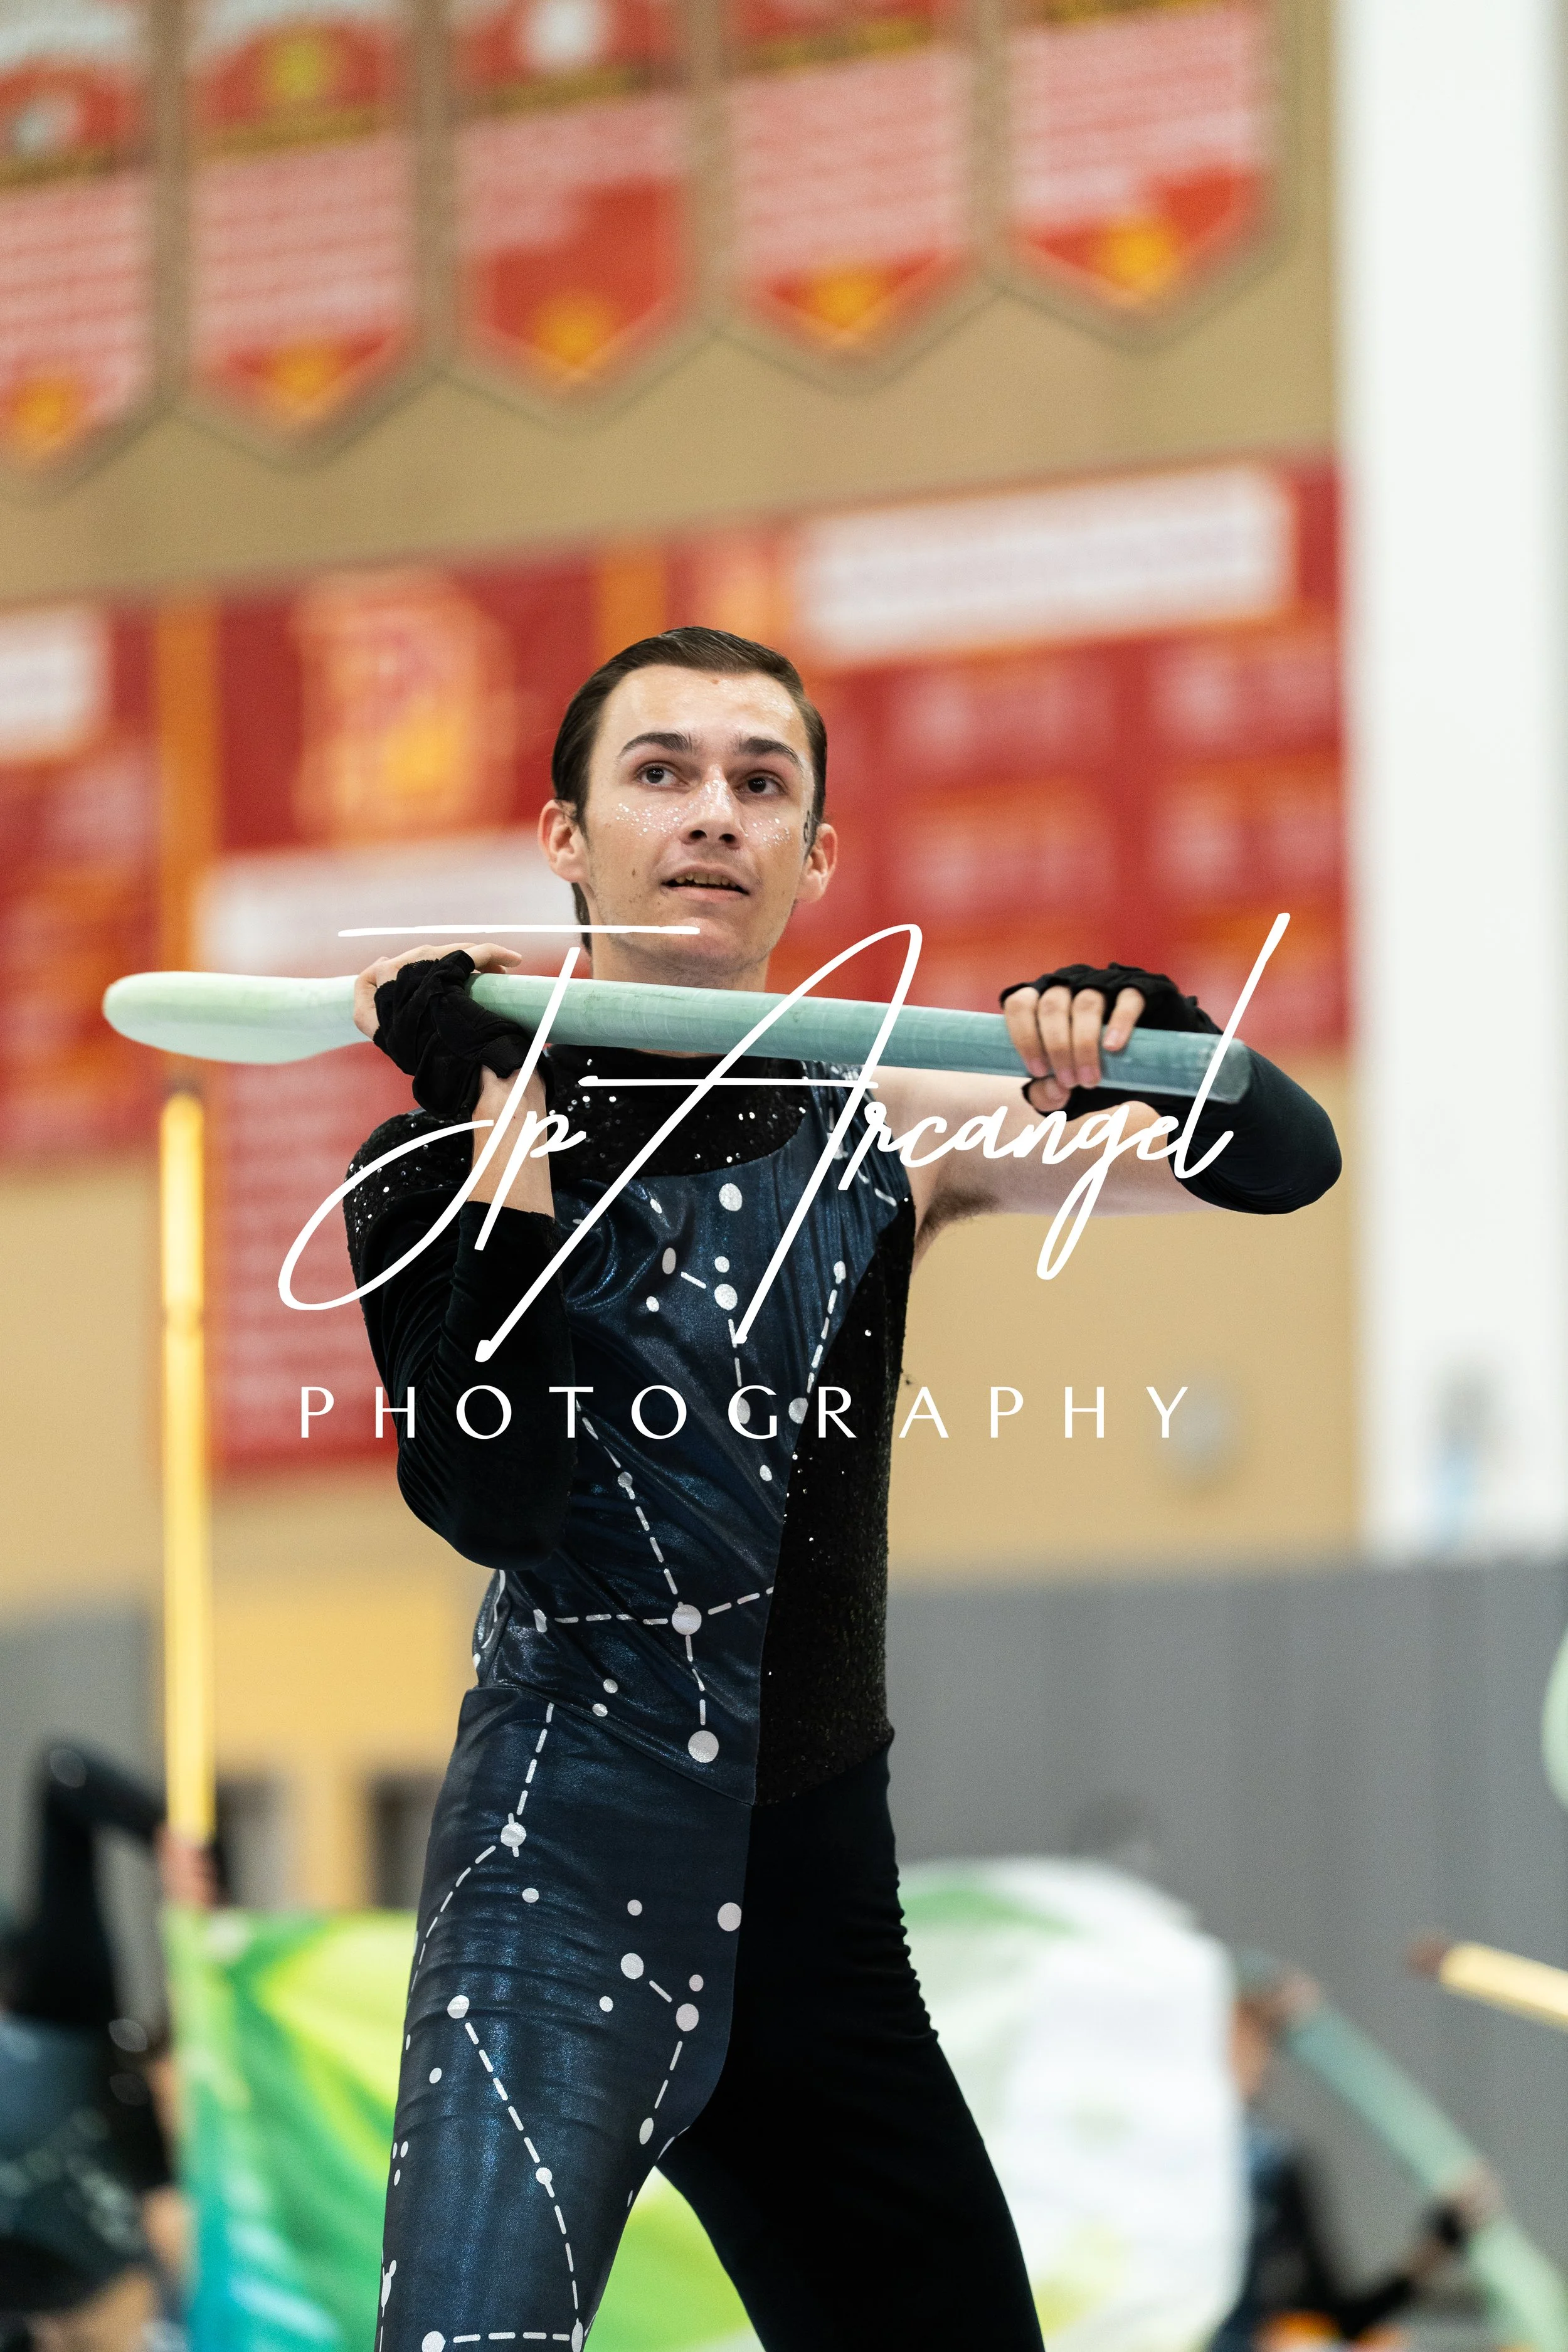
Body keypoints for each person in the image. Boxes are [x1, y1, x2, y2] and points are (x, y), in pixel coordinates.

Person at [344, 626, 1341, 2352]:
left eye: (760, 781)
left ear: (816, 857)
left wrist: (1161, 1041)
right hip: (555, 1889)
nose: (711, 812)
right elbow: (493, 1490)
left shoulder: (895, 1118)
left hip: (817, 1910)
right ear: (566, 832)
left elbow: (1284, 1161)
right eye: (659, 771)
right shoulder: (433, 1159)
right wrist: (506, 1112)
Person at [0, 1744, 212, 2352]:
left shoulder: (58, 2023)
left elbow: (62, 1780)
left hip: (94, 2307)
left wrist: (169, 1842)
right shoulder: (56, 2038)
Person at [1212, 1978, 1488, 2352]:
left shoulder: (1270, 2163)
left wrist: (1436, 2248)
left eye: (1253, 2047)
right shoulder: (1245, 2161)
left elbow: (1338, 2317)